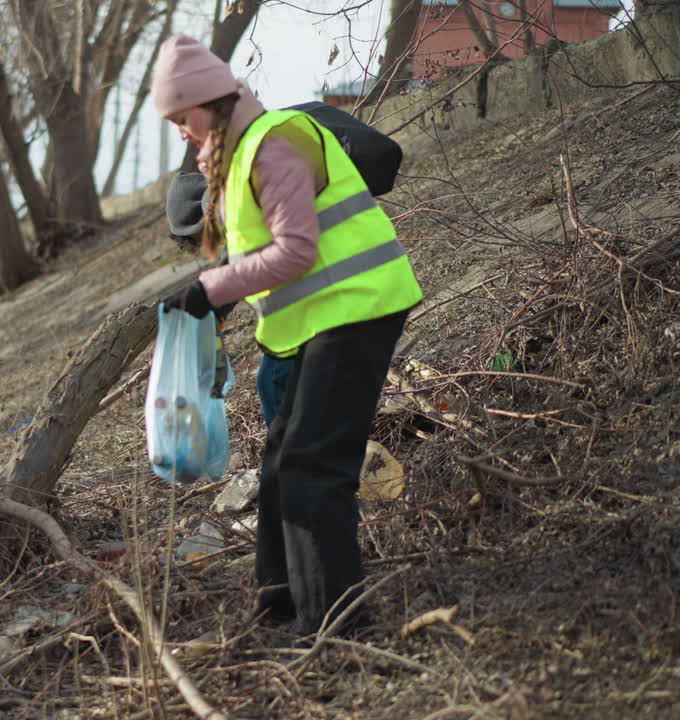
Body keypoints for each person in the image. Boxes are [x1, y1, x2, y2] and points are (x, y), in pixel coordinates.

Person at [153, 35, 424, 642]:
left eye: (181, 118)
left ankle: (338, 626)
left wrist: (212, 289)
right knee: (280, 466)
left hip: (358, 309)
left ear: (211, 103)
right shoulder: (241, 151)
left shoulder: (273, 144)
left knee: (311, 467)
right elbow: (257, 252)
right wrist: (210, 303)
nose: (179, 132)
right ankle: (278, 607)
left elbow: (296, 250)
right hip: (321, 320)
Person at [166, 171, 292, 428]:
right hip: (308, 308)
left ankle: (292, 459)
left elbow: (237, 262)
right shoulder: (234, 199)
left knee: (272, 381)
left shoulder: (223, 206)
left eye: (194, 241)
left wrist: (207, 304)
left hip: (305, 314)